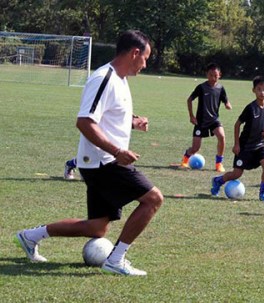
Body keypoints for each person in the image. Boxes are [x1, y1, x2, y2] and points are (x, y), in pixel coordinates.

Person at [15, 30, 164, 276]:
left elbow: (107, 117)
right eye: (145, 58)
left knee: (97, 228)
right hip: (102, 161)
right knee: (153, 199)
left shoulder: (120, 79)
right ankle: (116, 260)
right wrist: (117, 151)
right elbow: (85, 121)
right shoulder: (104, 77)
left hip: (101, 161)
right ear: (134, 53)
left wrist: (133, 122)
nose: (145, 64)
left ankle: (29, 237)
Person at [210, 76, 264, 202]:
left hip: (260, 144)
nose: (262, 92)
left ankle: (263, 193)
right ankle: (218, 181)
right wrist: (236, 145)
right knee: (237, 174)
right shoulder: (250, 108)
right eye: (259, 89)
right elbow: (237, 124)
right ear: (253, 91)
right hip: (245, 146)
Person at [181, 63, 232, 172]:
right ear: (206, 75)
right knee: (195, 148)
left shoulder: (221, 88)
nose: (213, 78)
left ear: (220, 75)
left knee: (222, 136)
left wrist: (227, 104)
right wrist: (191, 116)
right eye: (210, 75)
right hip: (200, 121)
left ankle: (219, 163)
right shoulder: (201, 87)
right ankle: (185, 159)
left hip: (214, 120)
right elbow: (189, 100)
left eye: (215, 75)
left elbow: (225, 99)